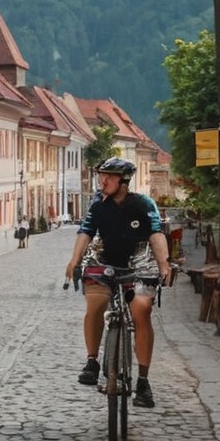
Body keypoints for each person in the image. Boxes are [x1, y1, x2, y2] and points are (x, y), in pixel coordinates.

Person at [64, 157, 171, 409]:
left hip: (139, 261)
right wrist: (74, 260)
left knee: (141, 310)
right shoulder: (99, 205)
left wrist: (164, 264)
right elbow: (86, 231)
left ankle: (143, 382)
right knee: (95, 303)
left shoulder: (144, 204)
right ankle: (92, 361)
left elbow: (156, 234)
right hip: (106, 260)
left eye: (109, 177)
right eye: (101, 175)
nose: (103, 181)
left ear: (124, 181)